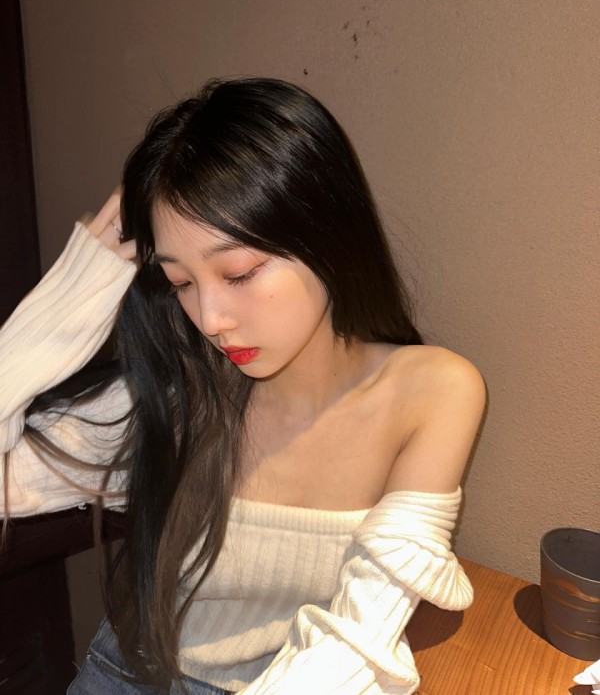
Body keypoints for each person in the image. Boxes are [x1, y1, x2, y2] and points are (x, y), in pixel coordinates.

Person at [0, 77, 485, 694]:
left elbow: (360, 638)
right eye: (180, 283)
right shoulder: (178, 393)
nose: (209, 320)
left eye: (238, 272)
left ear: (327, 233)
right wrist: (63, 309)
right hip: (127, 674)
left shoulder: (432, 391)